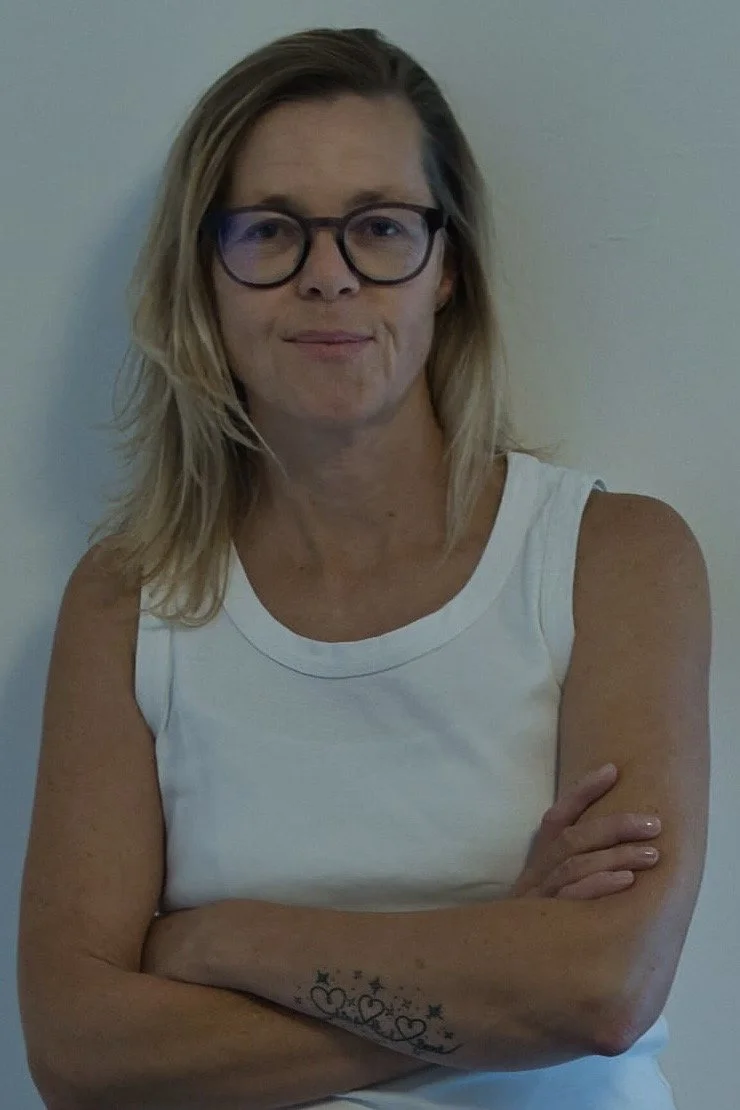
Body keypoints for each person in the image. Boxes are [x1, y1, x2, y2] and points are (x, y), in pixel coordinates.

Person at [17, 25, 710, 1110]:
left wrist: (220, 941)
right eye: (270, 232)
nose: (329, 278)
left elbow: (603, 989)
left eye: (380, 227)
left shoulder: (611, 559)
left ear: (447, 268)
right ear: (204, 275)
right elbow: (77, 1055)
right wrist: (497, 974)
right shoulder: (129, 602)